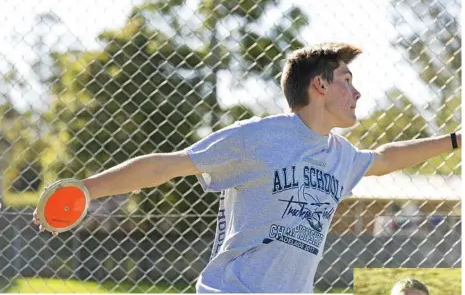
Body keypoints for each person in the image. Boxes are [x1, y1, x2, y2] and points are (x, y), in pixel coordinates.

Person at [33, 42, 461, 293]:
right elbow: (168, 166)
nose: (357, 91)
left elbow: (385, 159)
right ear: (320, 85)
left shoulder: (341, 154)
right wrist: (86, 190)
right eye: (347, 79)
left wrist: (455, 140)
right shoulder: (259, 137)